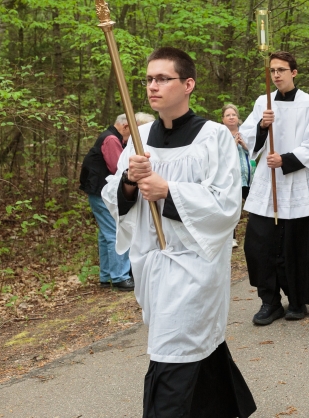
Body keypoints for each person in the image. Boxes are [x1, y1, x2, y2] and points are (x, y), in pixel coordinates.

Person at [102, 47, 256, 417]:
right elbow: (113, 196)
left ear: (188, 84)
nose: (152, 87)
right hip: (152, 264)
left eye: (162, 79)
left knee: (171, 352)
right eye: (149, 79)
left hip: (194, 266)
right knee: (194, 345)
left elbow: (225, 205)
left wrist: (168, 191)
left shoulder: (214, 137)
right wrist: (128, 181)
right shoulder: (138, 139)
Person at [240, 50, 309, 325]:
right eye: (272, 71)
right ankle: (270, 301)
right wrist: (261, 126)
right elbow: (245, 136)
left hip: (298, 178)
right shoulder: (262, 102)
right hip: (269, 183)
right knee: (261, 243)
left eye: (281, 70)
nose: (275, 75)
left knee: (296, 244)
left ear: (294, 72)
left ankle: (297, 300)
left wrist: (286, 159)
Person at [79, 112, 152, 291]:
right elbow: (117, 167)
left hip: (97, 191)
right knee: (114, 231)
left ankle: (106, 276)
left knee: (105, 235)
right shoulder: (112, 139)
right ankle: (120, 277)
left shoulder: (111, 136)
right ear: (126, 126)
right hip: (102, 192)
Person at [223, 104, 252, 248]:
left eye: (233, 114)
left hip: (247, 177)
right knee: (232, 208)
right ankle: (232, 238)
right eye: (228, 115)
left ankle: (254, 234)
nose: (231, 117)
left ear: (238, 118)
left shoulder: (245, 133)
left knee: (254, 205)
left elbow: (256, 151)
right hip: (231, 179)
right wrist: (233, 145)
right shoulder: (221, 135)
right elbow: (220, 157)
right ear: (223, 119)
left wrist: (245, 146)